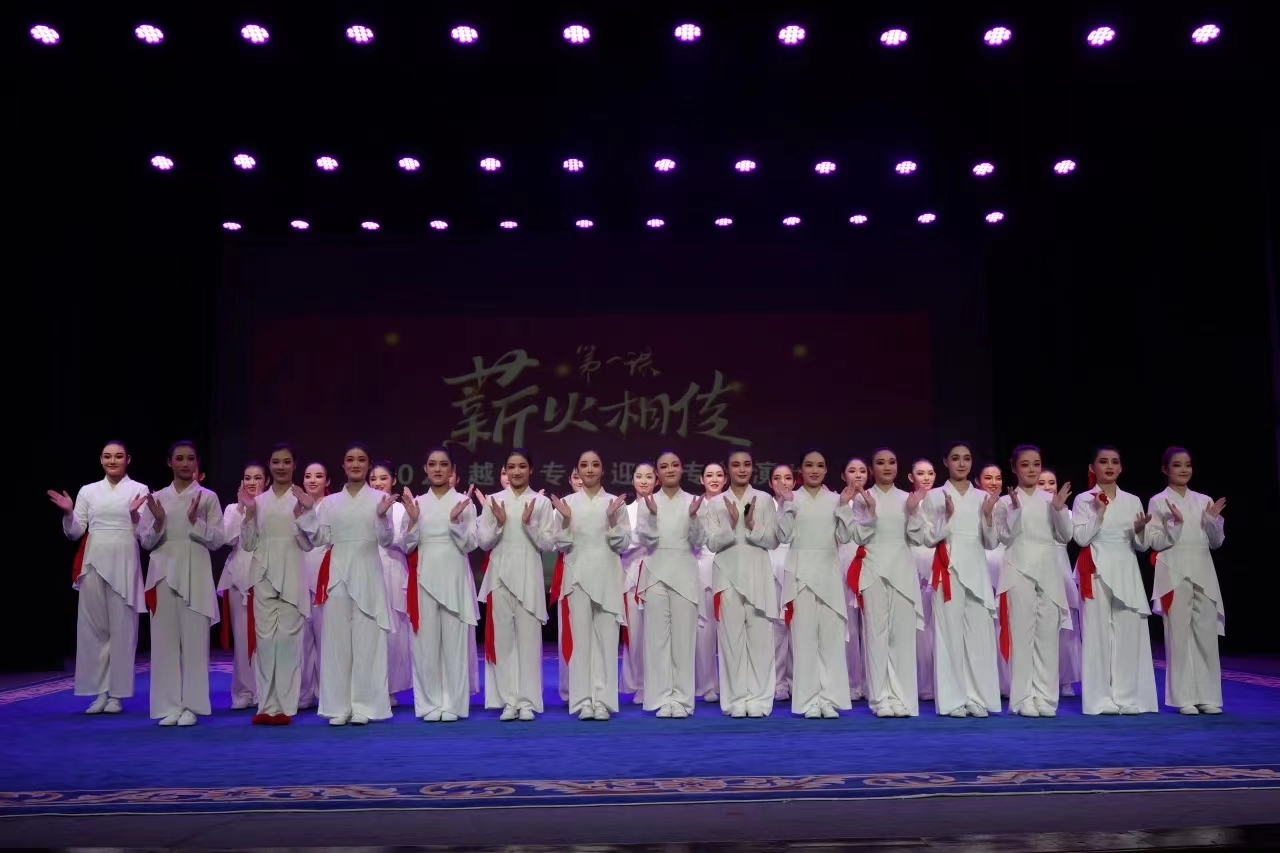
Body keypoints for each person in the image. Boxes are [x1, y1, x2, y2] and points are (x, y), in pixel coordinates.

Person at [48, 441, 151, 714]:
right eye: (107, 456)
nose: (112, 461)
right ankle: (100, 693)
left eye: (118, 456)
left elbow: (146, 534)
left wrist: (134, 516)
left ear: (128, 459)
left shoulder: (139, 489)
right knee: (93, 630)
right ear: (101, 460)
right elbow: (75, 532)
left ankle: (117, 695)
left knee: (123, 630)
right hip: (93, 561)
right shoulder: (88, 491)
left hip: (124, 561)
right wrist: (69, 513)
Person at [301, 443, 397, 725]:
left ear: (368, 465)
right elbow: (319, 539)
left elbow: (386, 540)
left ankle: (365, 707)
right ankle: (339, 706)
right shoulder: (330, 503)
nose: (356, 464)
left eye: (361, 460)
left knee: (368, 643)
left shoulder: (379, 498)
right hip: (338, 575)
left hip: (368, 574)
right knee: (336, 643)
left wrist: (382, 516)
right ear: (343, 465)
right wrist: (307, 511)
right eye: (350, 460)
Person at [138, 441, 224, 726]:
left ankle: (192, 706)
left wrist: (194, 521)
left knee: (195, 643)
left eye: (190, 459)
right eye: (179, 458)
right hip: (162, 571)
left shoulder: (208, 497)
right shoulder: (157, 498)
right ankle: (168, 705)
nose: (185, 463)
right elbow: (146, 541)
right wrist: (159, 521)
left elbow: (218, 540)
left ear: (197, 462)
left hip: (195, 571)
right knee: (164, 644)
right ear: (169, 462)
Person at [1072, 446, 1158, 715]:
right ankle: (1100, 700)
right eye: (1103, 461)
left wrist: (1140, 531)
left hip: (1126, 567)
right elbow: (1081, 539)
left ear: (1121, 468)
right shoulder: (1084, 499)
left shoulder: (1132, 500)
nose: (1109, 466)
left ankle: (1127, 697)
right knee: (1097, 636)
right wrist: (1098, 514)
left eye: (1114, 462)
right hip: (1096, 567)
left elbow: (1142, 545)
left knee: (1128, 633)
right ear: (1092, 468)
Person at [476, 449, 560, 721]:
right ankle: (509, 700)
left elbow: (549, 544)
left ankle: (527, 701)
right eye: (511, 467)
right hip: (499, 576)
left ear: (531, 470)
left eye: (522, 466)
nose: (516, 472)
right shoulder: (494, 501)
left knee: (529, 642)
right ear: (505, 470)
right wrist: (499, 524)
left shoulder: (541, 503)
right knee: (504, 641)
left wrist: (529, 524)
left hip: (529, 576)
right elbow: (483, 542)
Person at [919, 442, 1001, 717]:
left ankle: (977, 697)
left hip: (977, 570)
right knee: (949, 637)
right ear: (946, 461)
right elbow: (927, 538)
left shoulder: (983, 497)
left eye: (966, 458)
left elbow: (991, 542)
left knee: (979, 638)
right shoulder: (934, 496)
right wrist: (947, 518)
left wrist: (987, 516)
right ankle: (953, 700)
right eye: (955, 458)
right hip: (949, 571)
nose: (962, 463)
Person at [993, 445, 1073, 717]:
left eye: (1036, 464)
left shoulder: (1051, 500)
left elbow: (1065, 536)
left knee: (1048, 636)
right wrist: (1015, 510)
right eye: (1025, 464)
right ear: (1014, 467)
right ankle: (1022, 698)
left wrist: (1059, 510)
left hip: (1048, 570)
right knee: (1022, 636)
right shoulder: (1005, 502)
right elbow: (1004, 537)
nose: (1031, 469)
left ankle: (1046, 697)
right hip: (1018, 569)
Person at [1146, 446, 1227, 714]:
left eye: (1188, 465)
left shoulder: (1204, 500)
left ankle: (1208, 696)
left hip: (1203, 570)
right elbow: (1154, 541)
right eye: (1177, 465)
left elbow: (1216, 542)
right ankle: (1183, 698)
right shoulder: (1158, 501)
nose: (1184, 469)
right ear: (1165, 469)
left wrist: (1212, 520)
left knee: (1206, 635)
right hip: (1173, 570)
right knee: (1178, 635)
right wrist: (1175, 525)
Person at [399, 447, 479, 721]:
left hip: (455, 576)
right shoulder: (417, 503)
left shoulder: (464, 502)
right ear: (425, 469)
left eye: (443, 464)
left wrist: (455, 522)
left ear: (452, 470)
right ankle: (429, 705)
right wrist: (412, 521)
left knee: (455, 646)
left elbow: (471, 543)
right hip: (424, 577)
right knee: (425, 645)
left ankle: (453, 705)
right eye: (432, 464)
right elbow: (406, 545)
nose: (437, 469)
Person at [239, 443, 316, 723]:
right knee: (265, 643)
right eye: (275, 462)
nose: (280, 466)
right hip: (263, 576)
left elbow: (310, 543)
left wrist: (306, 512)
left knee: (288, 644)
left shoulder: (301, 498)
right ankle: (265, 705)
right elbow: (248, 543)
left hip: (292, 575)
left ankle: (285, 706)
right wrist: (249, 513)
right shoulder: (258, 501)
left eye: (286, 461)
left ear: (294, 465)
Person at [848, 448, 927, 717]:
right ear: (872, 469)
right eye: (880, 463)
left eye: (891, 462)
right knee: (876, 635)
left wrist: (913, 511)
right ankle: (880, 698)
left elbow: (918, 539)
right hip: (873, 569)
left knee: (901, 637)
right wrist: (870, 512)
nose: (887, 467)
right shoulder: (863, 498)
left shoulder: (908, 498)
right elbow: (857, 537)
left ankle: (902, 697)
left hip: (902, 569)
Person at [553, 451, 631, 720]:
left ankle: (603, 701)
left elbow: (623, 544)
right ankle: (583, 700)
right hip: (577, 577)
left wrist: (612, 521)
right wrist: (565, 519)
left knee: (606, 642)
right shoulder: (567, 503)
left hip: (608, 576)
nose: (589, 469)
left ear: (602, 470)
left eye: (595, 464)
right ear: (577, 470)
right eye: (584, 465)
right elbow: (560, 544)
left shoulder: (615, 503)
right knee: (581, 642)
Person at [776, 451, 854, 718]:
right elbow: (783, 536)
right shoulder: (792, 498)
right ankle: (808, 700)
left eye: (820, 465)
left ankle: (829, 699)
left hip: (829, 574)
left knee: (831, 641)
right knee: (804, 640)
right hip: (800, 575)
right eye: (809, 465)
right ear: (801, 469)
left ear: (826, 470)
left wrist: (844, 506)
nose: (814, 470)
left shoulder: (835, 498)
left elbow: (845, 536)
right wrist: (787, 505)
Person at [705, 450, 781, 717]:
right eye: (736, 465)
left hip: (758, 574)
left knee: (760, 641)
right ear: (727, 470)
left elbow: (773, 541)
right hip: (727, 576)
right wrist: (731, 525)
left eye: (746, 464)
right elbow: (711, 543)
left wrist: (750, 526)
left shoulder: (765, 500)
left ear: (753, 468)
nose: (741, 469)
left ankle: (759, 699)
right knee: (731, 641)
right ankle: (736, 699)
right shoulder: (715, 503)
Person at [635, 451, 708, 717]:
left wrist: (693, 517)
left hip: (684, 574)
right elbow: (646, 541)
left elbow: (700, 542)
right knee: (657, 641)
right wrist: (653, 516)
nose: (669, 470)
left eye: (674, 465)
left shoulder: (694, 502)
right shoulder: (648, 502)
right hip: (655, 572)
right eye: (664, 466)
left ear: (682, 468)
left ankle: (682, 700)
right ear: (657, 473)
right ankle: (660, 699)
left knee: (683, 641)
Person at [218, 463, 265, 710]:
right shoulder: (231, 509)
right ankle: (243, 691)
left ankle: (263, 691)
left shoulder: (270, 507)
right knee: (242, 638)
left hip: (265, 576)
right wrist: (241, 509)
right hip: (239, 577)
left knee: (264, 639)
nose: (252, 482)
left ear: (266, 481)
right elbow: (227, 539)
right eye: (247, 478)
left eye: (257, 478)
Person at [370, 462, 412, 707]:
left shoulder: (400, 509)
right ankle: (369, 686)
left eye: (383, 478)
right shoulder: (364, 507)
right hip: (368, 570)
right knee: (370, 629)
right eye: (373, 479)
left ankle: (389, 688)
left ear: (393, 480)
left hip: (394, 569)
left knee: (394, 632)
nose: (378, 483)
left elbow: (405, 541)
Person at [1039, 468, 1082, 697]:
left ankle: (1065, 679)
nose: (1047, 487)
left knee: (1065, 629)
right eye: (1042, 482)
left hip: (1060, 569)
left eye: (1051, 482)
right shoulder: (1028, 509)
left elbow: (1067, 535)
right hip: (1038, 568)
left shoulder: (1066, 511)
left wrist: (1058, 509)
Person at [620, 462, 657, 704]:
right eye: (639, 476)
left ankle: (657, 682)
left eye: (649, 476)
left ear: (657, 480)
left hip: (657, 574)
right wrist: (643, 536)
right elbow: (620, 544)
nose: (644, 481)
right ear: (633, 480)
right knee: (635, 633)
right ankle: (638, 682)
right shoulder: (625, 510)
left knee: (656, 633)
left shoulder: (661, 508)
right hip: (631, 576)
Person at [693, 462, 727, 702]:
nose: (714, 479)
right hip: (702, 571)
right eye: (709, 475)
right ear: (701, 479)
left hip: (730, 570)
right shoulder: (694, 505)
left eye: (719, 475)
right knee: (704, 632)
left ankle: (731, 684)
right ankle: (706, 685)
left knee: (729, 631)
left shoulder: (733, 503)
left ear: (725, 479)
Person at [298, 462, 330, 709]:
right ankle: (303, 693)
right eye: (308, 476)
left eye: (318, 476)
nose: (312, 480)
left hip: (324, 577)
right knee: (301, 641)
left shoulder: (331, 506)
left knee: (325, 638)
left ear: (327, 482)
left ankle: (326, 694)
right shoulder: (294, 505)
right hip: (298, 575)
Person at [837, 457, 870, 700]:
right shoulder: (837, 501)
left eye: (862, 471)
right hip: (843, 565)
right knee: (848, 626)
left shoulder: (873, 500)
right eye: (852, 471)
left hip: (870, 564)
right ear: (843, 475)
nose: (858, 475)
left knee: (870, 625)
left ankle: (871, 682)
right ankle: (851, 682)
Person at [979, 464, 1011, 697]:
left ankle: (1006, 682)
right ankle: (985, 683)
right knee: (984, 627)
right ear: (978, 481)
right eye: (988, 478)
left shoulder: (1009, 503)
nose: (994, 482)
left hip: (1004, 566)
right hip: (981, 565)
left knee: (1005, 625)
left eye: (998, 478)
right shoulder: (975, 503)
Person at [907, 459, 938, 701]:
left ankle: (938, 682)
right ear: (911, 477)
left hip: (939, 564)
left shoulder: (941, 500)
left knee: (937, 627)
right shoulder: (907, 502)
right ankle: (920, 683)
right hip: (913, 563)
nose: (926, 478)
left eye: (930, 473)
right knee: (917, 626)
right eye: (920, 473)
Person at [555, 469, 586, 702]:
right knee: (568, 633)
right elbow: (554, 542)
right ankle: (569, 689)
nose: (580, 480)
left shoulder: (605, 505)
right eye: (576, 477)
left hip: (595, 576)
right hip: (567, 575)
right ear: (570, 480)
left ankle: (591, 690)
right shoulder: (563, 505)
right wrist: (565, 519)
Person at [769, 464, 796, 701]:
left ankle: (797, 680)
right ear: (770, 483)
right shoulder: (763, 506)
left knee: (797, 627)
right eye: (777, 478)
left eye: (787, 478)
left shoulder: (800, 504)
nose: (783, 482)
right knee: (776, 628)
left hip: (796, 566)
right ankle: (777, 682)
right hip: (770, 568)